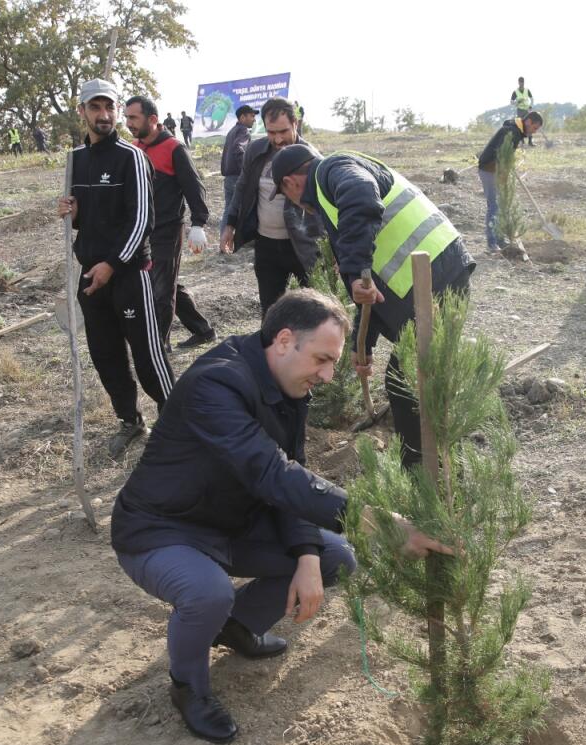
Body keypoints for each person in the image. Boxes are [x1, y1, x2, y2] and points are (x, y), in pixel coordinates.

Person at [111, 289, 452, 743]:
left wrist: (307, 556)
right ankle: (188, 686)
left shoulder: (286, 382)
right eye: (323, 359)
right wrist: (377, 522)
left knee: (336, 558)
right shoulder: (216, 383)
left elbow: (292, 469)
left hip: (234, 522)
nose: (329, 375)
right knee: (208, 592)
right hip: (164, 528)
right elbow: (271, 472)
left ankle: (236, 627)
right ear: (285, 339)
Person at [273, 144, 476, 468]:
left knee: (405, 379)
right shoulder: (333, 187)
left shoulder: (333, 170)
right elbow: (374, 288)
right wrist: (361, 344)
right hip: (434, 276)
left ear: (290, 184)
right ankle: (433, 473)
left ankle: (428, 477)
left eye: (286, 195)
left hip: (435, 277)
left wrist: (355, 270)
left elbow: (362, 195)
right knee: (410, 379)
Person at [56, 78, 176, 459]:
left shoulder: (131, 157)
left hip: (128, 274)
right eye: (95, 108)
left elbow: (142, 219)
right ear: (82, 112)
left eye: (110, 108)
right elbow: (82, 221)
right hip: (91, 275)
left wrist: (113, 263)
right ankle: (129, 420)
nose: (104, 115)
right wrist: (70, 215)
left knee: (147, 352)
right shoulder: (76, 160)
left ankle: (176, 421)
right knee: (105, 354)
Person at [124, 95, 217, 350]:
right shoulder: (134, 148)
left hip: (167, 228)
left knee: (161, 291)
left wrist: (198, 224)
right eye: (127, 117)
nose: (128, 123)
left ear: (153, 120)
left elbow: (194, 188)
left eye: (133, 117)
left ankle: (158, 347)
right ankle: (203, 330)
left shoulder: (174, 148)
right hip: (140, 231)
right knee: (165, 282)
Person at [219, 98, 322, 317]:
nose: (277, 139)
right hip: (266, 245)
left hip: (302, 248)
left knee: (312, 313)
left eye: (283, 131)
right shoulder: (255, 151)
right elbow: (243, 186)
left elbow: (324, 210)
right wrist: (230, 223)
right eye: (271, 132)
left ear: (295, 123)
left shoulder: (312, 159)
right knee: (271, 312)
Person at [476, 110, 544, 252]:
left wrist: (507, 167)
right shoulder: (511, 131)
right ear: (528, 122)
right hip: (489, 169)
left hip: (498, 170)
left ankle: (500, 239)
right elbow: (501, 154)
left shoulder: (517, 131)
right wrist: (504, 170)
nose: (535, 132)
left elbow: (506, 155)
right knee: (494, 206)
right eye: (535, 128)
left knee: (501, 205)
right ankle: (492, 243)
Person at [220, 104, 256, 213]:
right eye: (252, 116)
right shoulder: (243, 131)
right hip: (237, 178)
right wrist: (246, 172)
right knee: (242, 212)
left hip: (228, 178)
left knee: (229, 210)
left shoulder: (232, 131)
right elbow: (239, 148)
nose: (254, 120)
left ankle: (224, 231)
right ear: (242, 117)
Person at [511, 77, 535, 146]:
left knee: (530, 124)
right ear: (518, 82)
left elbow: (532, 98)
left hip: (527, 110)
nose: (521, 83)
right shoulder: (515, 92)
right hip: (520, 110)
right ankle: (522, 141)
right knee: (520, 125)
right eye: (520, 82)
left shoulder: (527, 90)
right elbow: (511, 102)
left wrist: (531, 106)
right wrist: (517, 102)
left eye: (522, 82)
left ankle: (530, 142)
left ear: (524, 82)